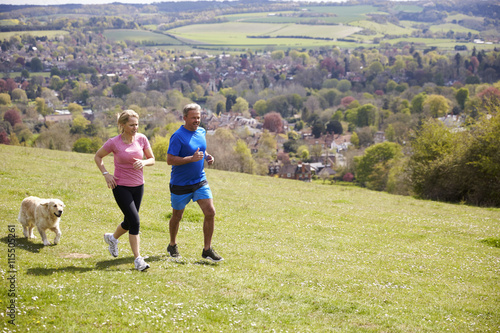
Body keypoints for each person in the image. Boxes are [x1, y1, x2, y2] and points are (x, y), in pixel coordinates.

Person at [94, 109, 155, 271]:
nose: (135, 127)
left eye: (137, 124)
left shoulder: (142, 139)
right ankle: (138, 260)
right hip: (120, 186)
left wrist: (143, 163)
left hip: (138, 186)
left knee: (129, 221)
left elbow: (152, 159)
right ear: (122, 125)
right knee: (135, 221)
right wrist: (106, 174)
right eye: (131, 125)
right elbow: (98, 156)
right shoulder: (114, 142)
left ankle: (112, 238)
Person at [166, 103, 223, 262]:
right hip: (180, 184)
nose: (197, 120)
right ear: (184, 118)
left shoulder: (201, 131)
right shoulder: (178, 136)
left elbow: (201, 149)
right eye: (193, 118)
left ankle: (207, 249)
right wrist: (191, 159)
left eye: (198, 117)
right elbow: (170, 160)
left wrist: (207, 156)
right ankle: (172, 244)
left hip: (199, 180)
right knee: (177, 216)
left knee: (210, 212)